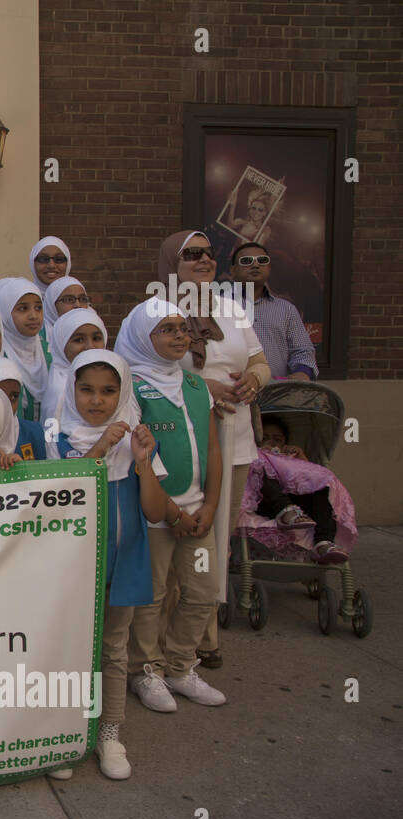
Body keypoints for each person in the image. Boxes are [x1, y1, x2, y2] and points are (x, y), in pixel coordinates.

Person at [50, 350, 171, 780]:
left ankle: (109, 733)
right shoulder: (57, 438)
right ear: (71, 390)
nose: (96, 401)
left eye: (107, 391)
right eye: (86, 390)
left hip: (124, 562)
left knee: (113, 649)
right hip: (71, 570)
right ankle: (64, 737)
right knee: (69, 649)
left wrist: (141, 463)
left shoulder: (136, 442)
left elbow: (155, 512)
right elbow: (64, 495)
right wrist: (101, 448)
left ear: (122, 394)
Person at [115, 297, 226, 714]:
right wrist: (173, 513)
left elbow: (212, 447)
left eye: (183, 328)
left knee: (201, 592)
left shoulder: (195, 385)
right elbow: (144, 459)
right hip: (158, 516)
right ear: (145, 337)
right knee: (153, 596)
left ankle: (181, 665)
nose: (181, 335)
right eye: (168, 329)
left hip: (199, 513)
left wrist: (211, 505)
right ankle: (146, 671)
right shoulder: (132, 388)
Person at [167, 229, 271, 668]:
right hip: (184, 442)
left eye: (208, 253)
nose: (204, 260)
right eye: (191, 254)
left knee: (218, 543)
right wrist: (199, 386)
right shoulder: (157, 311)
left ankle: (204, 635)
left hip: (235, 440)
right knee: (183, 539)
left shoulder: (233, 310)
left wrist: (255, 380)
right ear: (171, 262)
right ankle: (171, 643)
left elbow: (259, 361)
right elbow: (139, 372)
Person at [243, 416, 353, 564]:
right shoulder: (254, 456)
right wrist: (262, 453)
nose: (271, 443)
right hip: (266, 502)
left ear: (284, 443)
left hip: (296, 504)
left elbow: (309, 479)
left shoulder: (288, 458)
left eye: (277, 440)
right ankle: (285, 510)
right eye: (265, 438)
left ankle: (323, 542)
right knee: (259, 468)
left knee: (320, 484)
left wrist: (300, 458)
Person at [231, 242, 318, 380]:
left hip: (276, 395)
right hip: (230, 391)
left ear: (269, 268)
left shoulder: (286, 309)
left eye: (262, 260)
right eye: (246, 261)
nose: (255, 265)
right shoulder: (218, 306)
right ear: (233, 270)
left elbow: (303, 351)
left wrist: (302, 374)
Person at [0, 278, 48, 422]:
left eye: (38, 308)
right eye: (23, 309)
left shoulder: (48, 354)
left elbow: (55, 409)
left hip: (47, 439)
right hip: (13, 441)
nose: (33, 315)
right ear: (5, 313)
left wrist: (50, 443)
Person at [40, 307, 107, 428]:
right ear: (61, 344)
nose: (90, 346)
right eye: (79, 340)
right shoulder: (60, 391)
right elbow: (49, 440)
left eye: (96, 338)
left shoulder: (111, 378)